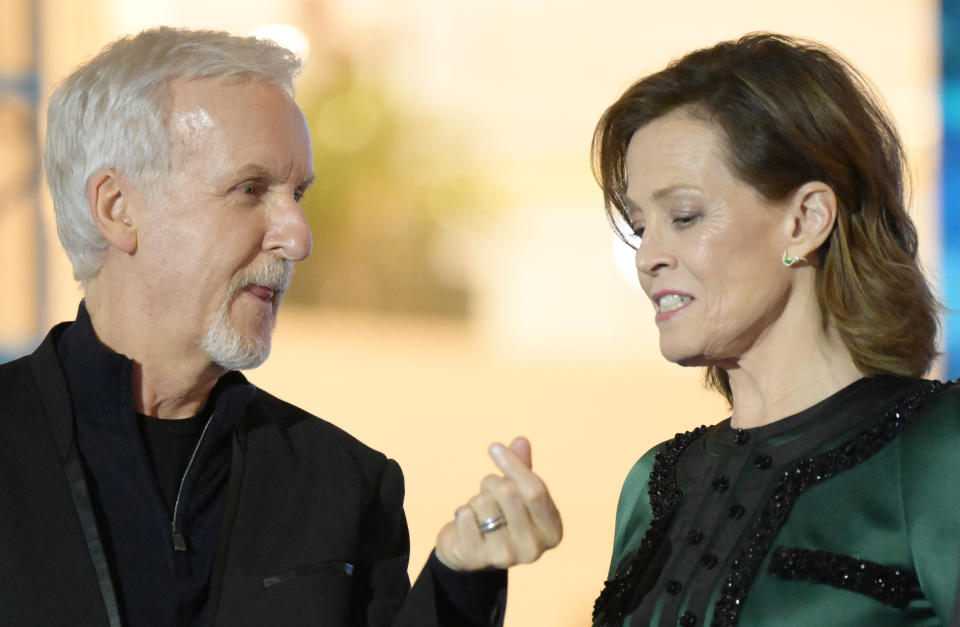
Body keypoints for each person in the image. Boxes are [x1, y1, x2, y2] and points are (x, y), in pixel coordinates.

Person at [0, 27, 562, 626]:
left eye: (298, 193)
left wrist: (461, 581)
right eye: (250, 190)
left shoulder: (343, 485)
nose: (298, 237)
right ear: (118, 208)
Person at [589, 33, 959, 626]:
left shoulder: (938, 450)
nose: (647, 255)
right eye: (640, 225)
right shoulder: (653, 485)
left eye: (684, 216)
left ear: (805, 220)